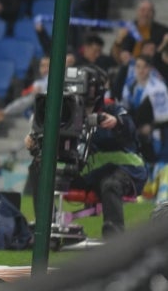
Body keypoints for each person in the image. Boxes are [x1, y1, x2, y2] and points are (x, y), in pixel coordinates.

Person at [25, 65, 145, 237]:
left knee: (110, 184)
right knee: (38, 167)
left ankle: (114, 239)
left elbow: (130, 127)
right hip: (86, 173)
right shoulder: (64, 112)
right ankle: (46, 225)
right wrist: (34, 141)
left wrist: (116, 122)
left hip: (123, 170)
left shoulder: (111, 108)